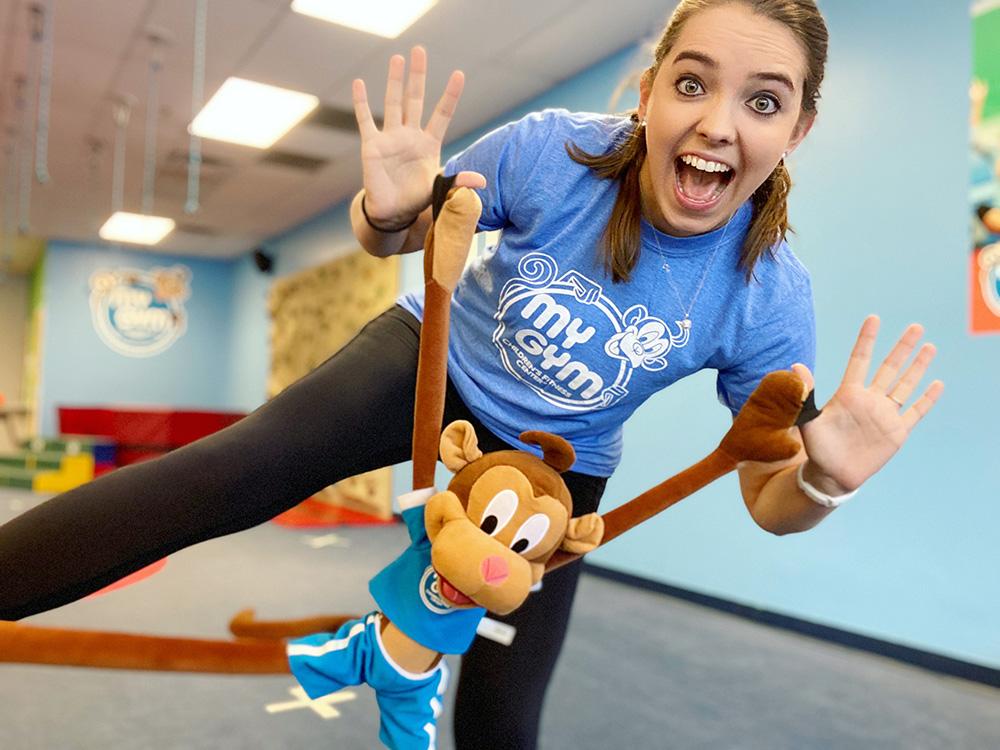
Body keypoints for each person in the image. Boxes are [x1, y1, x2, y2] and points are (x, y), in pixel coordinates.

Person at [0, 1, 943, 748]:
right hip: (428, 367)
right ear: (650, 90)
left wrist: (823, 483)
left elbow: (769, 498)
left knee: (503, 711)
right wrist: (385, 210)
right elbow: (400, 231)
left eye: (763, 103)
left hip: (562, 463)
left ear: (799, 129)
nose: (717, 125)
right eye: (691, 84)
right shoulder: (554, 151)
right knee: (228, 472)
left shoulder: (768, 294)